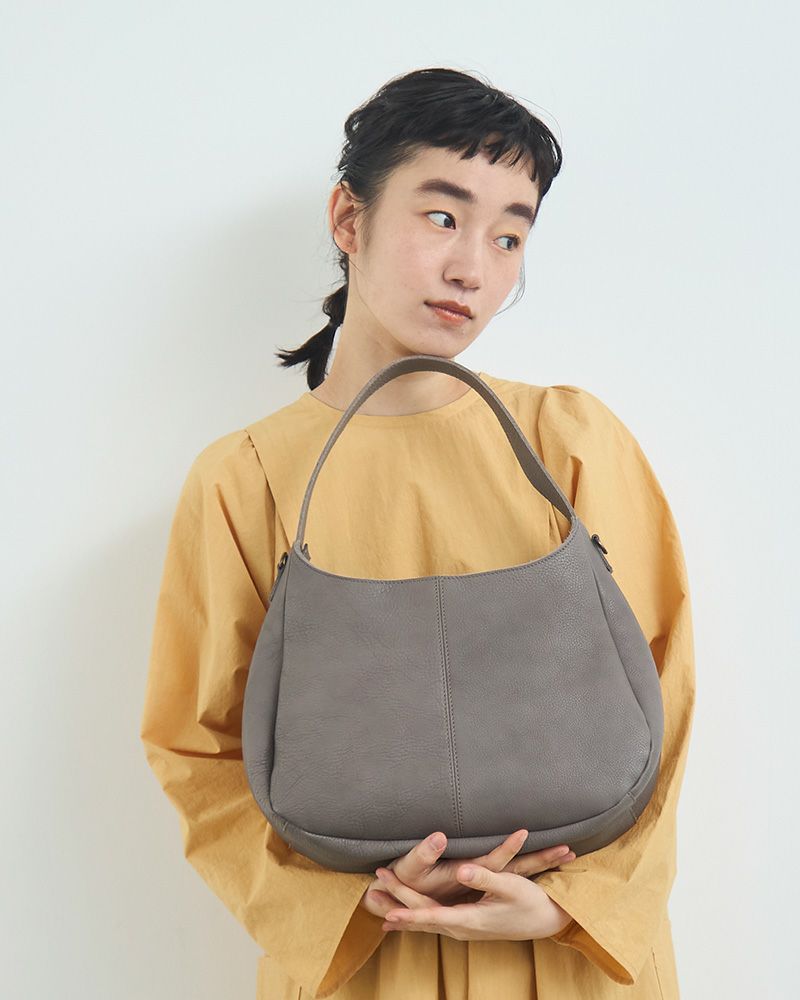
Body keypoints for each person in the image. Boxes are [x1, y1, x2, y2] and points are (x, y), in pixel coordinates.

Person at [140, 67, 695, 999]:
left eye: (510, 235)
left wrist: (576, 905)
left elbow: (664, 698)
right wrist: (352, 906)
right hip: (369, 959)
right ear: (347, 219)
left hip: (571, 959)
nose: (473, 268)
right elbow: (196, 750)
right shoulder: (247, 478)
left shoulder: (570, 441)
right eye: (442, 217)